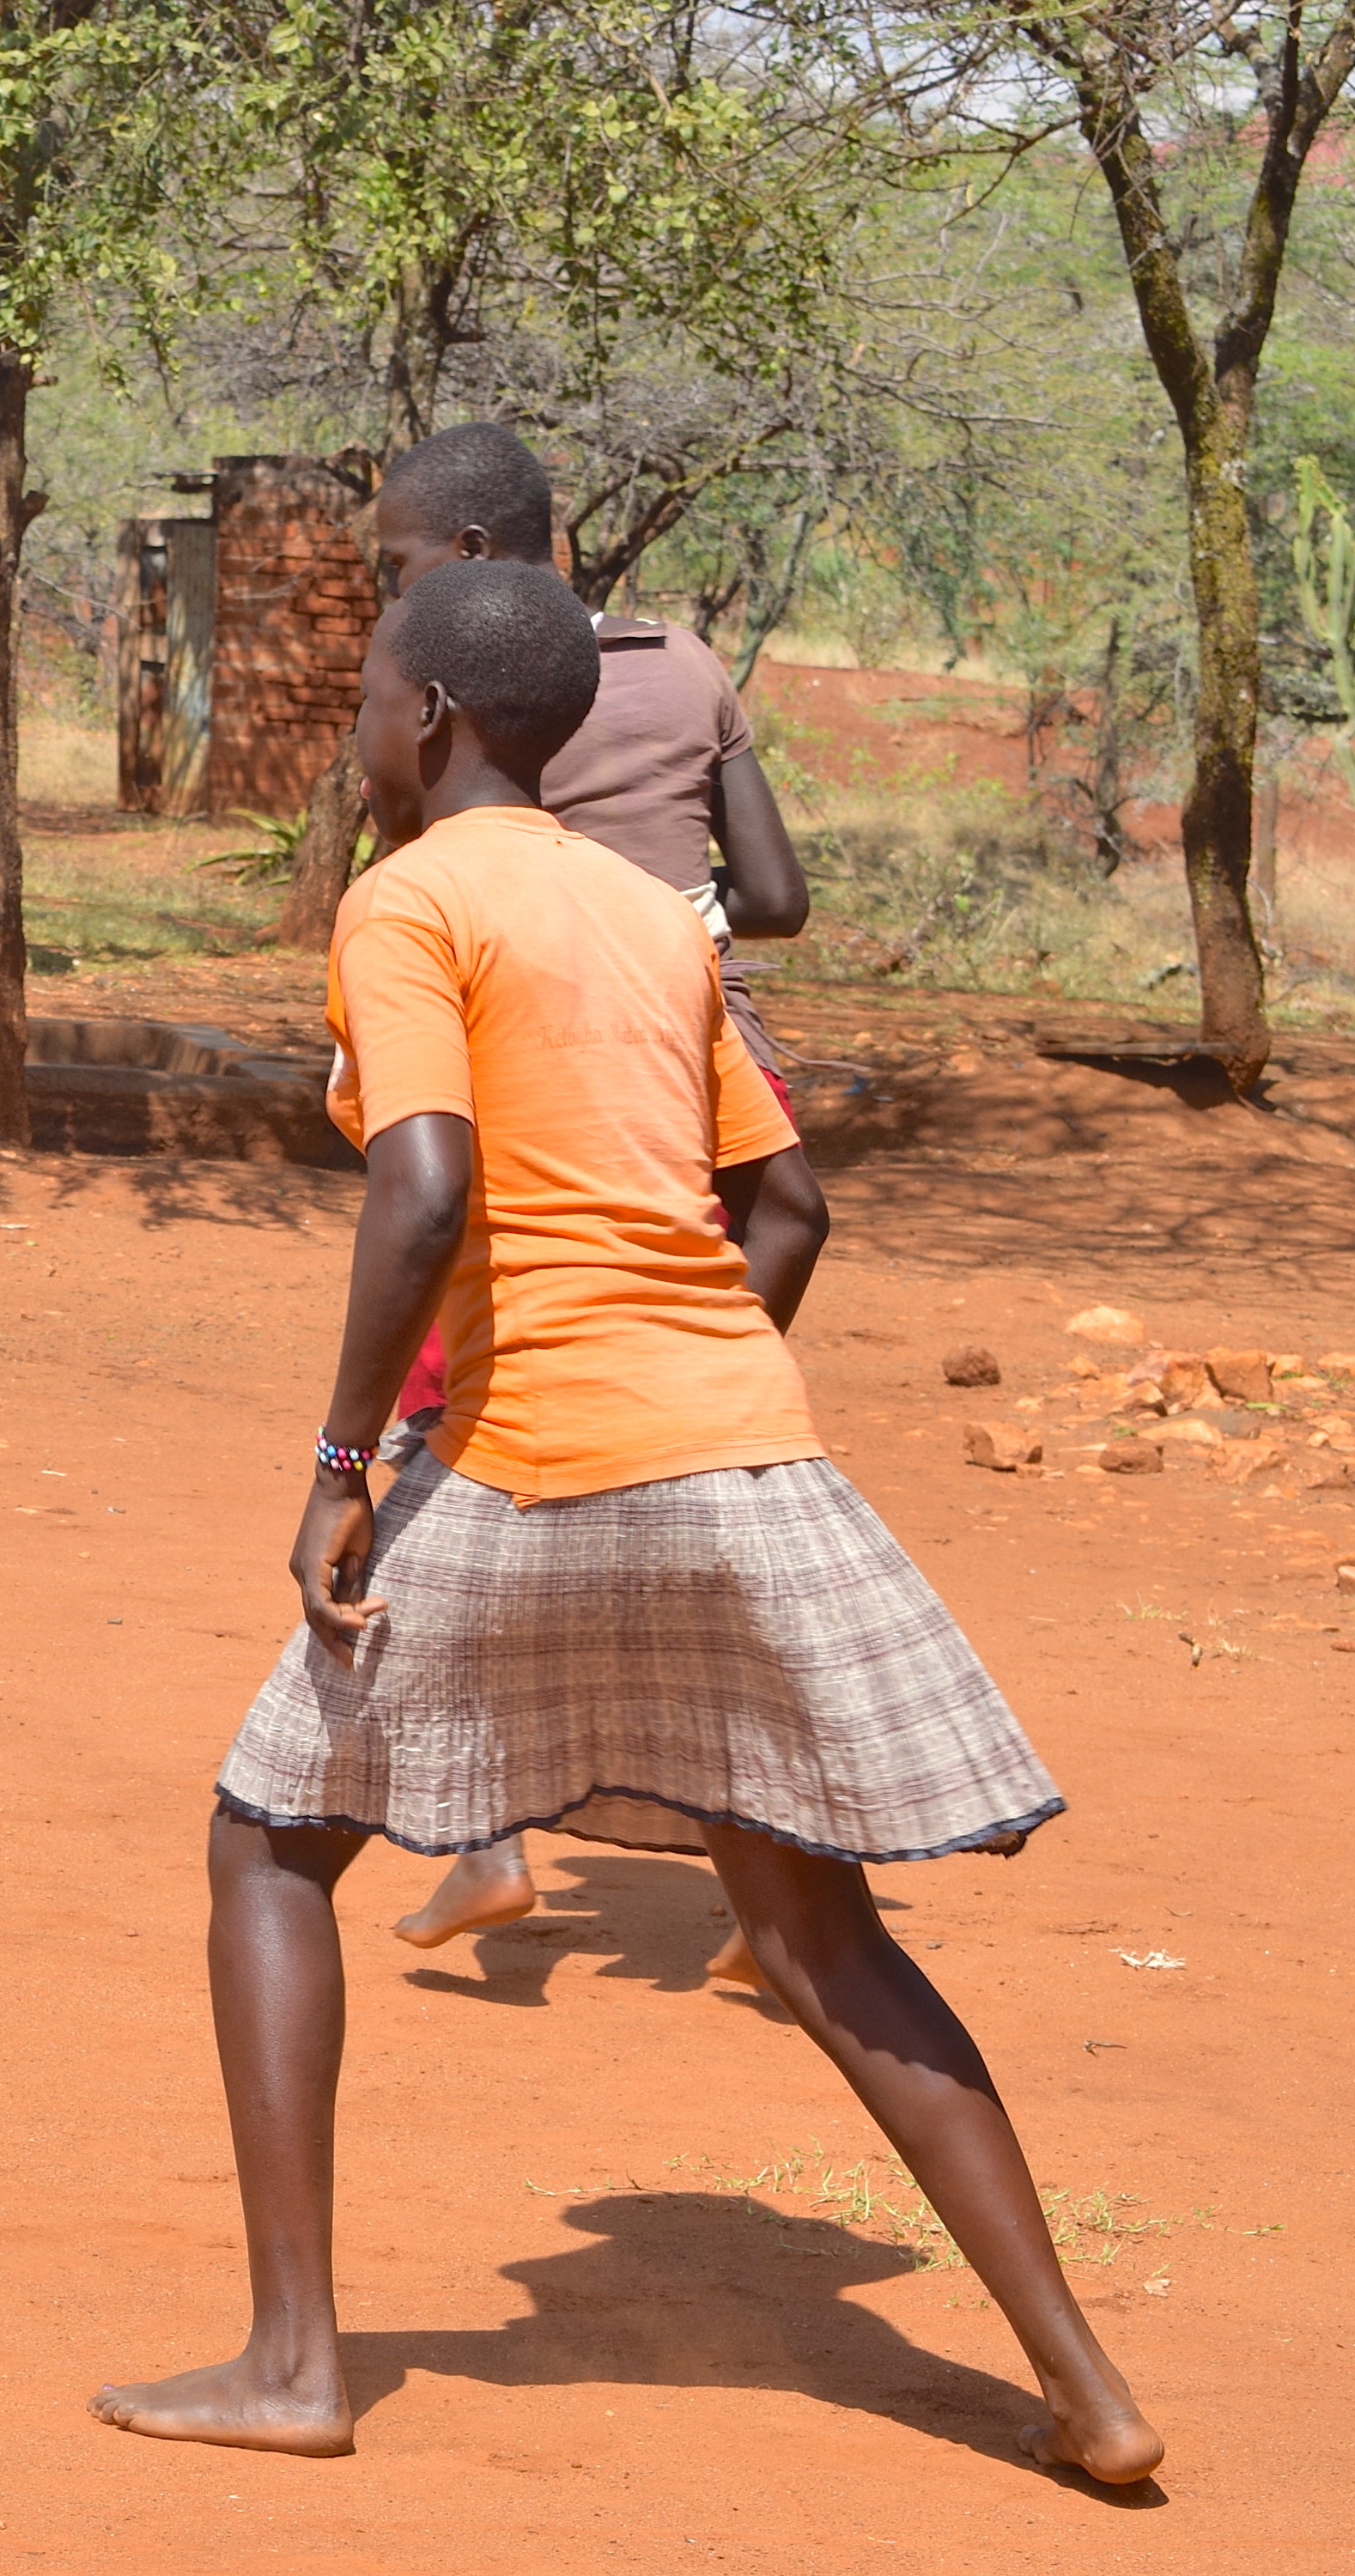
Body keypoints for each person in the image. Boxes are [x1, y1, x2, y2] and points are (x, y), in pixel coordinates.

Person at [92, 559, 1159, 2486]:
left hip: (530, 1445)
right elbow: (788, 1210)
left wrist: (341, 1467)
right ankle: (1087, 2388)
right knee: (817, 1932)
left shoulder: (410, 898)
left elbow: (421, 1185)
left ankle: (292, 2362)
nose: (354, 714)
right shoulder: (652, 922)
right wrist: (680, 1381)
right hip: (745, 1446)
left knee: (265, 1848)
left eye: (367, 683)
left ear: (431, 718)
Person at [363, 422, 813, 1965]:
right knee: (687, 1519)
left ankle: (482, 1834)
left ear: (467, 571)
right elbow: (779, 900)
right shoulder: (683, 664)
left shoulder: (448, 734)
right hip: (703, 1102)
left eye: (400, 569)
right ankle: (776, 1878)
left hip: (527, 1107)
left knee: (438, 1450)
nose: (386, 600)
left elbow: (425, 1159)